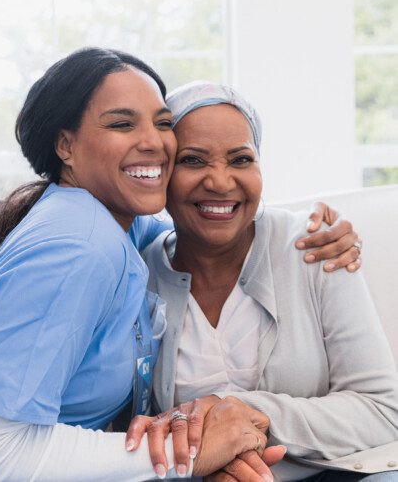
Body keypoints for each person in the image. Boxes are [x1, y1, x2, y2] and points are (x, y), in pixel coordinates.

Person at [0, 50, 361, 482]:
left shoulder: (115, 226)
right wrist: (187, 457)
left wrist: (305, 232)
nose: (154, 142)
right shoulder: (78, 244)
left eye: (163, 124)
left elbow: (202, 224)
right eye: (122, 124)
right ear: (65, 146)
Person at [127, 81, 398, 481]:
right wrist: (208, 466)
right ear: (162, 172)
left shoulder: (315, 246)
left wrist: (246, 411)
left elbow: (383, 410)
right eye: (193, 160)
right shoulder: (138, 275)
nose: (220, 181)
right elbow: (134, 427)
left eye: (240, 160)